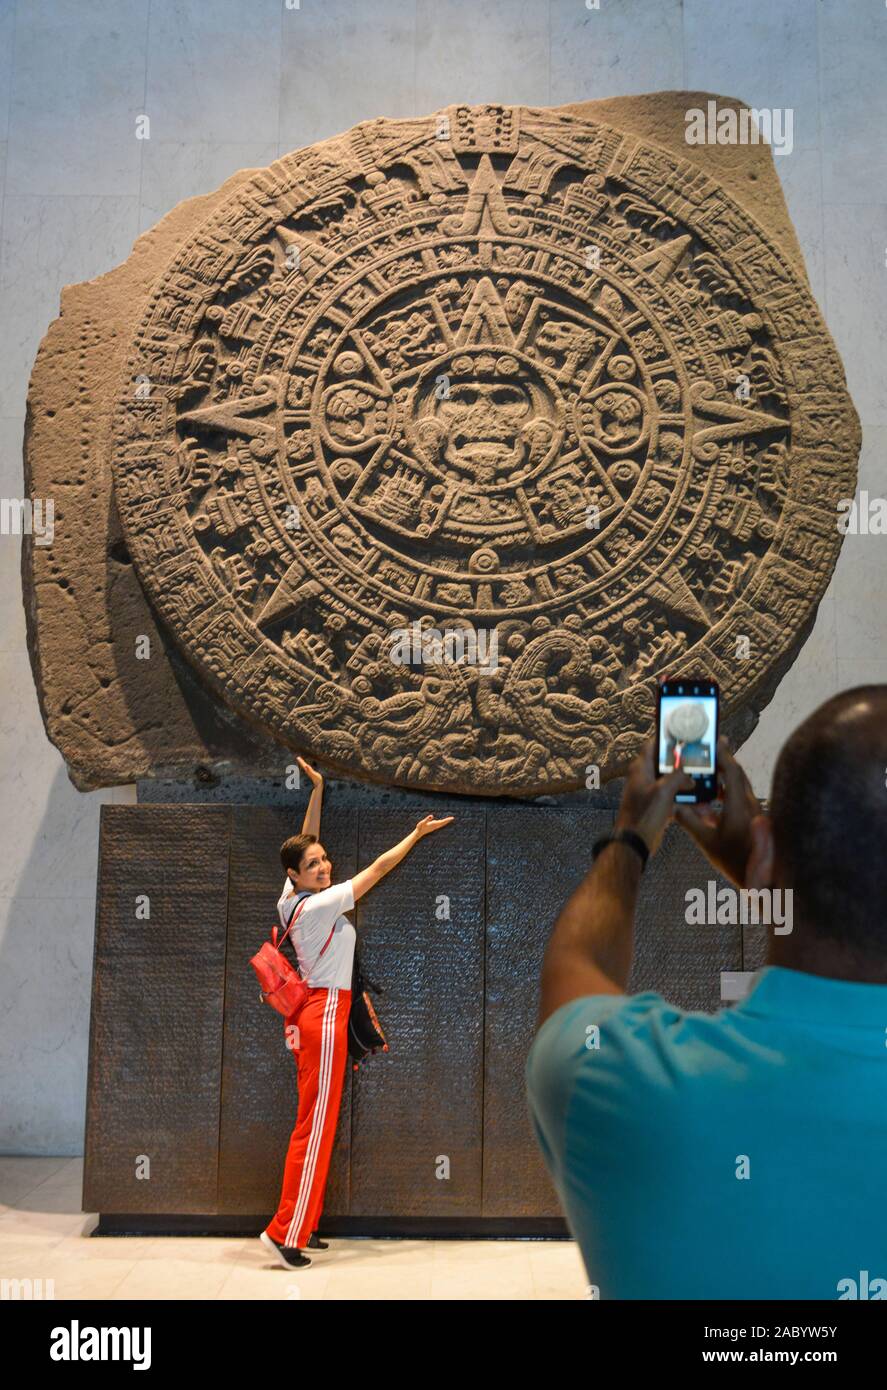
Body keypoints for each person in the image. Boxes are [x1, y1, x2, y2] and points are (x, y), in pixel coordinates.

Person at [525, 686, 887, 1299]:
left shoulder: (622, 1080)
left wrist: (632, 839)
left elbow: (576, 965)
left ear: (769, 850)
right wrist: (770, 874)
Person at [260, 756, 453, 1269]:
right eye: (314, 865)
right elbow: (378, 869)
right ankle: (284, 1233)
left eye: (325, 859)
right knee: (314, 1127)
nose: (324, 867)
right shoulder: (320, 905)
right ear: (295, 876)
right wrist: (415, 835)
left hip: (317, 1016)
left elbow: (305, 839)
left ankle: (303, 1224)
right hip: (324, 1017)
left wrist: (318, 790)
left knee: (316, 1124)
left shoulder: (290, 901)